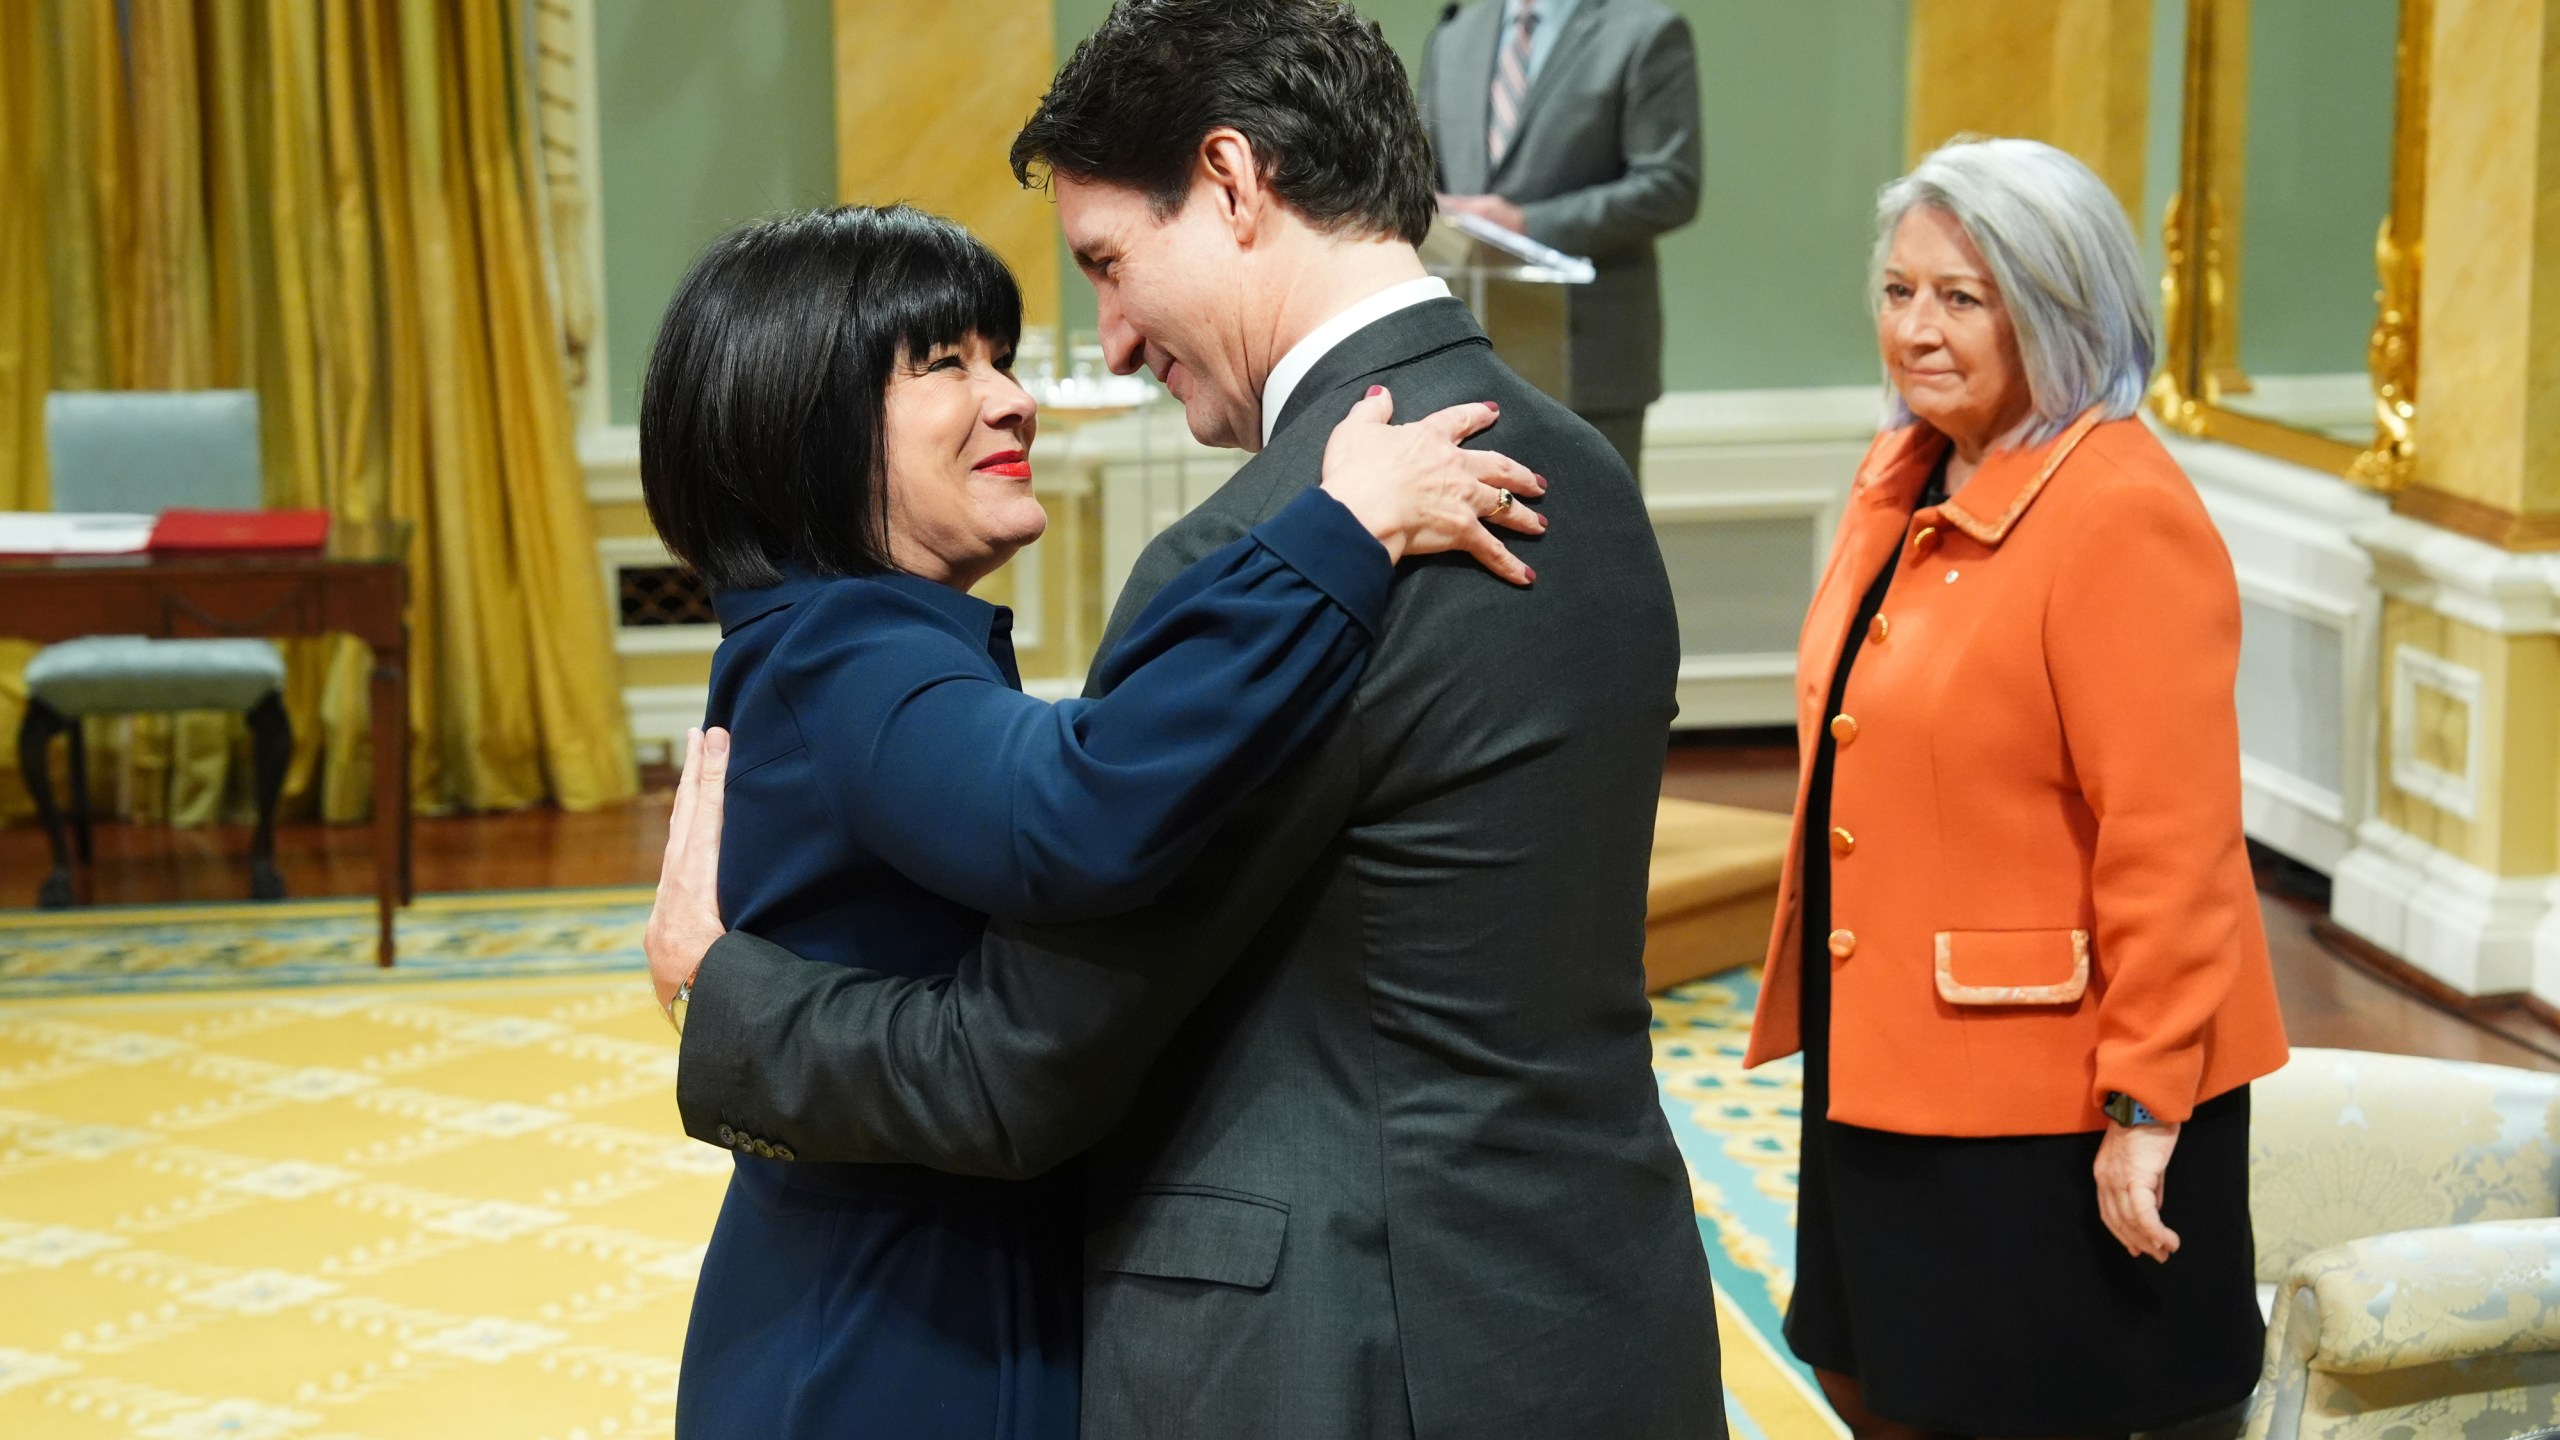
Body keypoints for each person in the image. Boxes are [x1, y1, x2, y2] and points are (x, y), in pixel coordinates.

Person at [644, 4, 1727, 1438]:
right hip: (1591, 1309)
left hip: (1331, 1355)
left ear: (1230, 183)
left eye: (1107, 264)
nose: (1113, 340)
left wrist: (722, 998)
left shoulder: (1266, 550)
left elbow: (1020, 1062)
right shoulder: (1581, 475)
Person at [1743, 137, 2291, 1440]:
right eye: (1896, 291)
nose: (1914, 330)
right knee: (1873, 1379)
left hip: (2050, 1099)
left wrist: (2146, 1108)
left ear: (2059, 310)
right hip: (1886, 1058)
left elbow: (2176, 842)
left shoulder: (2116, 513)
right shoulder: (1910, 472)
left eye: (1960, 298)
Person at [1421, 0, 1702, 482]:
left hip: (1589, 363)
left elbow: (1671, 185)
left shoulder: (1646, 30)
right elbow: (1422, 171)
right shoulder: (1456, 32)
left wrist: (1527, 223)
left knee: (1597, 548)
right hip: (1464, 359)